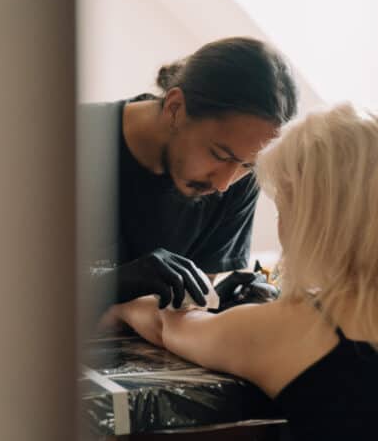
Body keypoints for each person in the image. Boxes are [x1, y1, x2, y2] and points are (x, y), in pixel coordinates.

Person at [106, 103, 378, 440]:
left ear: (310, 217)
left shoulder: (295, 329)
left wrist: (123, 301)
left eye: (283, 209)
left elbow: (169, 326)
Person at [78, 37, 298, 316]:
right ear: (175, 108)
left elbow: (189, 307)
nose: (223, 184)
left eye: (248, 166)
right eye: (219, 155)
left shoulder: (237, 180)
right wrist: (108, 285)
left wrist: (224, 305)